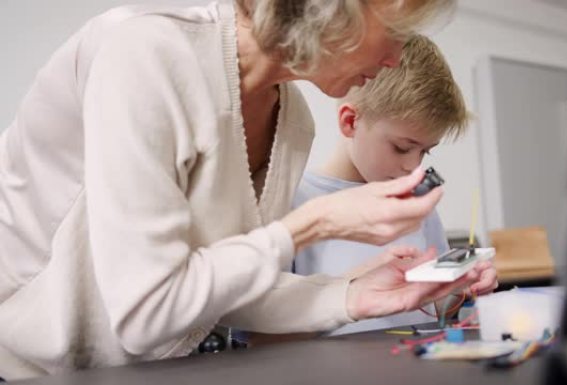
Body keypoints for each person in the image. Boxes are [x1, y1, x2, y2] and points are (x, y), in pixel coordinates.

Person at [0, 0, 479, 380]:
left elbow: (214, 287)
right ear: (333, 9)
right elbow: (146, 312)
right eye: (392, 33)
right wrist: (314, 223)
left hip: (138, 370)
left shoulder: (292, 121)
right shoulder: (145, 52)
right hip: (30, 369)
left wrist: (351, 295)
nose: (396, 58)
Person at [292, 35, 497, 335]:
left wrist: (464, 289)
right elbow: (267, 338)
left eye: (425, 151)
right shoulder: (294, 202)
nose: (413, 167)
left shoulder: (417, 206)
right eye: (402, 148)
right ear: (350, 122)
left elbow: (436, 306)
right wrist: (351, 291)